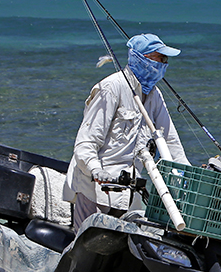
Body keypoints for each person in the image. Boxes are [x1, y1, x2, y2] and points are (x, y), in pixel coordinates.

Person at [63, 33, 190, 229]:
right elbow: (86, 141)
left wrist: (186, 177)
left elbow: (169, 141)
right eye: (160, 58)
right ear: (141, 59)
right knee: (89, 248)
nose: (164, 64)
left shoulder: (155, 95)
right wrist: (96, 170)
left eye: (166, 60)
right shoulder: (111, 88)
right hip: (95, 188)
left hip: (129, 191)